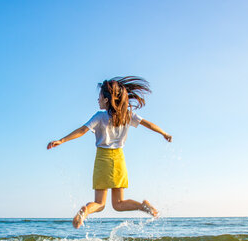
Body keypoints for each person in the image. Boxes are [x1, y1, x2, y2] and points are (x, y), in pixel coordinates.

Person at [47, 76, 172, 228]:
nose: (97, 100)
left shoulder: (100, 116)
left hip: (103, 159)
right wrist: (164, 133)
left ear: (106, 100)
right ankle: (143, 206)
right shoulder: (126, 114)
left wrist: (61, 140)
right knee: (118, 204)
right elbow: (148, 124)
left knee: (99, 203)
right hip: (119, 160)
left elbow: (82, 130)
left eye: (99, 97)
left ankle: (85, 211)